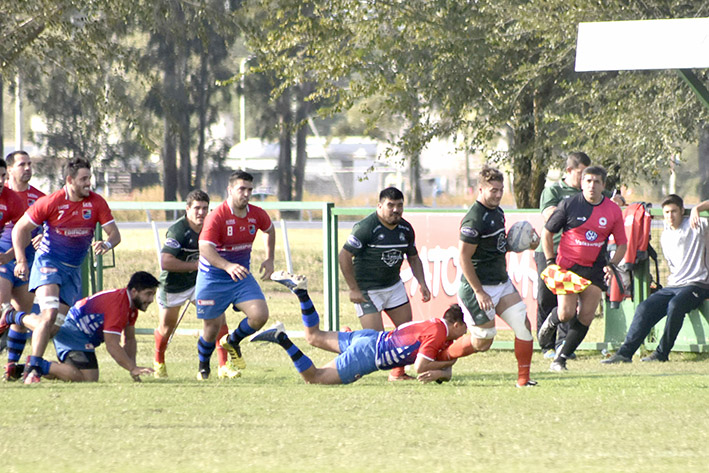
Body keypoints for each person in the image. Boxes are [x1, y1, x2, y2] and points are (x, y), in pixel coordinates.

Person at [12, 157, 121, 384]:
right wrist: (21, 260)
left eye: (89, 178)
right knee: (49, 314)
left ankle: (14, 316)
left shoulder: (97, 203)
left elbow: (115, 234)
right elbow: (20, 229)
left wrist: (106, 244)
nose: (88, 183)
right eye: (83, 179)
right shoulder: (51, 202)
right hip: (48, 263)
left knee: (53, 327)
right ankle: (32, 370)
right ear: (70, 180)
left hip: (73, 272)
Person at [251, 270, 466, 385]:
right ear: (456, 325)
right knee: (314, 378)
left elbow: (439, 363)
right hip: (368, 355)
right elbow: (419, 367)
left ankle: (301, 293)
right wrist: (443, 367)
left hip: (370, 338)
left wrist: (444, 371)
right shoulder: (438, 334)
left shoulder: (435, 325)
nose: (466, 334)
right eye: (466, 328)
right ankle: (282, 338)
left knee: (313, 336)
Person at [447, 165, 538, 388]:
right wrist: (479, 291)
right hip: (476, 288)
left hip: (501, 282)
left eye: (500, 190)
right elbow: (463, 258)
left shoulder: (498, 212)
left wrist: (525, 243)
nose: (497, 194)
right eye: (493, 190)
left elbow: (497, 247)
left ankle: (523, 380)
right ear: (481, 189)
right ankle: (443, 356)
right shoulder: (473, 219)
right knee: (483, 341)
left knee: (523, 325)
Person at [539, 165, 627, 371]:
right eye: (588, 181)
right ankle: (551, 322)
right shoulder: (569, 204)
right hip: (568, 267)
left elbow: (622, 244)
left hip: (595, 268)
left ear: (603, 185)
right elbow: (547, 233)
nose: (592, 186)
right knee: (566, 314)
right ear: (581, 183)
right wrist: (551, 261)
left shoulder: (613, 210)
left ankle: (560, 359)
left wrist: (612, 265)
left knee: (587, 315)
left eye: (597, 182)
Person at [338, 186, 431, 381]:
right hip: (367, 290)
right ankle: (347, 338)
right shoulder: (366, 227)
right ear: (380, 206)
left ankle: (398, 373)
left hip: (393, 286)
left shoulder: (405, 229)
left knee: (408, 334)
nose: (395, 210)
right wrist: (354, 289)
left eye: (399, 205)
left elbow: (413, 258)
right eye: (390, 205)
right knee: (375, 342)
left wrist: (422, 283)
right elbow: (344, 255)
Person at [602, 195, 709, 363]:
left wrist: (698, 208)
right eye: (666, 212)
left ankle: (661, 353)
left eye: (674, 211)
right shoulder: (665, 235)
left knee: (675, 306)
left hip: (698, 284)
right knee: (644, 308)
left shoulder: (698, 224)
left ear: (682, 211)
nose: (670, 216)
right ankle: (624, 354)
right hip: (673, 285)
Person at [0, 271, 158, 382]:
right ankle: (35, 363)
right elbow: (112, 344)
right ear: (135, 291)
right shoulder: (119, 305)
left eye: (153, 294)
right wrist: (131, 367)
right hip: (73, 331)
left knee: (81, 375)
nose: (151, 299)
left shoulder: (130, 307)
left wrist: (134, 367)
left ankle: (21, 370)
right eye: (149, 294)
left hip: (79, 335)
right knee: (88, 378)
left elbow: (129, 339)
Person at [194, 170, 275, 380]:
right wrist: (227, 266)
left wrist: (270, 259)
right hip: (213, 276)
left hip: (240, 277)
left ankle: (233, 340)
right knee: (211, 329)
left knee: (259, 315)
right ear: (230, 190)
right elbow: (205, 249)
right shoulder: (217, 216)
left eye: (250, 189)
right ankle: (203, 365)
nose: (246, 194)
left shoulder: (256, 214)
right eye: (242, 189)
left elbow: (270, 230)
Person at [153, 190, 240, 379]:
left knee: (218, 321)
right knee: (167, 327)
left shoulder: (212, 227)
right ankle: (159, 361)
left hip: (200, 283)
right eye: (197, 208)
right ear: (187, 209)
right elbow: (165, 262)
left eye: (205, 209)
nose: (201, 212)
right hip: (174, 286)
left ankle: (223, 366)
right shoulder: (178, 230)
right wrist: (195, 265)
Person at [534, 152, 590, 359]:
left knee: (568, 299)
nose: (585, 180)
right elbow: (550, 215)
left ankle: (563, 345)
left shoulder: (590, 191)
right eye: (581, 174)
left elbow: (608, 202)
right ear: (568, 171)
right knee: (546, 298)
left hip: (573, 254)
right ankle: (545, 344)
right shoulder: (554, 190)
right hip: (549, 251)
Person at [0, 151, 46, 380]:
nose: (27, 168)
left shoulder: (39, 198)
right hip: (4, 260)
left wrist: (43, 235)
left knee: (20, 313)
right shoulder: (4, 193)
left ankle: (11, 366)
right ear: (9, 170)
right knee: (3, 307)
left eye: (29, 164)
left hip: (26, 263)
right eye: (22, 164)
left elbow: (46, 227)